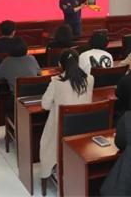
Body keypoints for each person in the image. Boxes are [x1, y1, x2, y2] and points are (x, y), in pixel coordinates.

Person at [39, 49, 94, 182]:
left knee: (47, 137)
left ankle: (52, 168)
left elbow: (45, 105)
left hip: (61, 128)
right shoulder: (90, 78)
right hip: (84, 125)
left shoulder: (56, 81)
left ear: (60, 64)